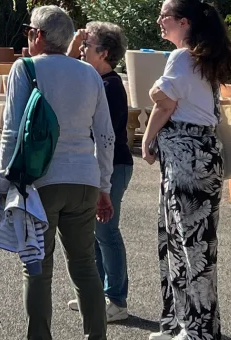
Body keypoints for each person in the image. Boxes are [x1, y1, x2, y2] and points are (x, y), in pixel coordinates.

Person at [0, 5, 116, 340]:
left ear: (38, 35)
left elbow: (11, 131)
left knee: (36, 268)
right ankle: (96, 336)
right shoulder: (91, 74)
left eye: (28, 31)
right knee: (84, 266)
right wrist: (104, 185)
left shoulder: (25, 68)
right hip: (84, 180)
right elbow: (106, 135)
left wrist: (4, 181)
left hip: (40, 182)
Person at [142, 0, 231, 340]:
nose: (159, 21)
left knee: (186, 243)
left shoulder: (182, 58)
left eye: (164, 15)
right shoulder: (201, 60)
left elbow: (165, 105)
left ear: (185, 22)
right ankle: (190, 324)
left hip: (186, 160)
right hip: (200, 156)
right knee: (193, 242)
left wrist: (147, 138)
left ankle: (194, 328)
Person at [66, 21, 133, 324]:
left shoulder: (109, 86)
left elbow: (104, 135)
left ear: (104, 53)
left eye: (86, 45)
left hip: (113, 166)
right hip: (99, 166)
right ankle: (97, 294)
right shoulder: (97, 82)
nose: (81, 49)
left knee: (106, 231)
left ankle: (116, 300)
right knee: (95, 232)